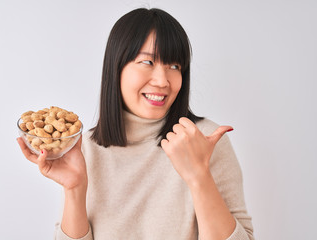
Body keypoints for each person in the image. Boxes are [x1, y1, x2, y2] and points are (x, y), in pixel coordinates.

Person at [17, 8, 254, 240]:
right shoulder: (82, 147)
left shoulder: (202, 140)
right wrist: (75, 189)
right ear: (116, 67)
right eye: (147, 62)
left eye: (174, 66)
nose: (163, 81)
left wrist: (198, 177)